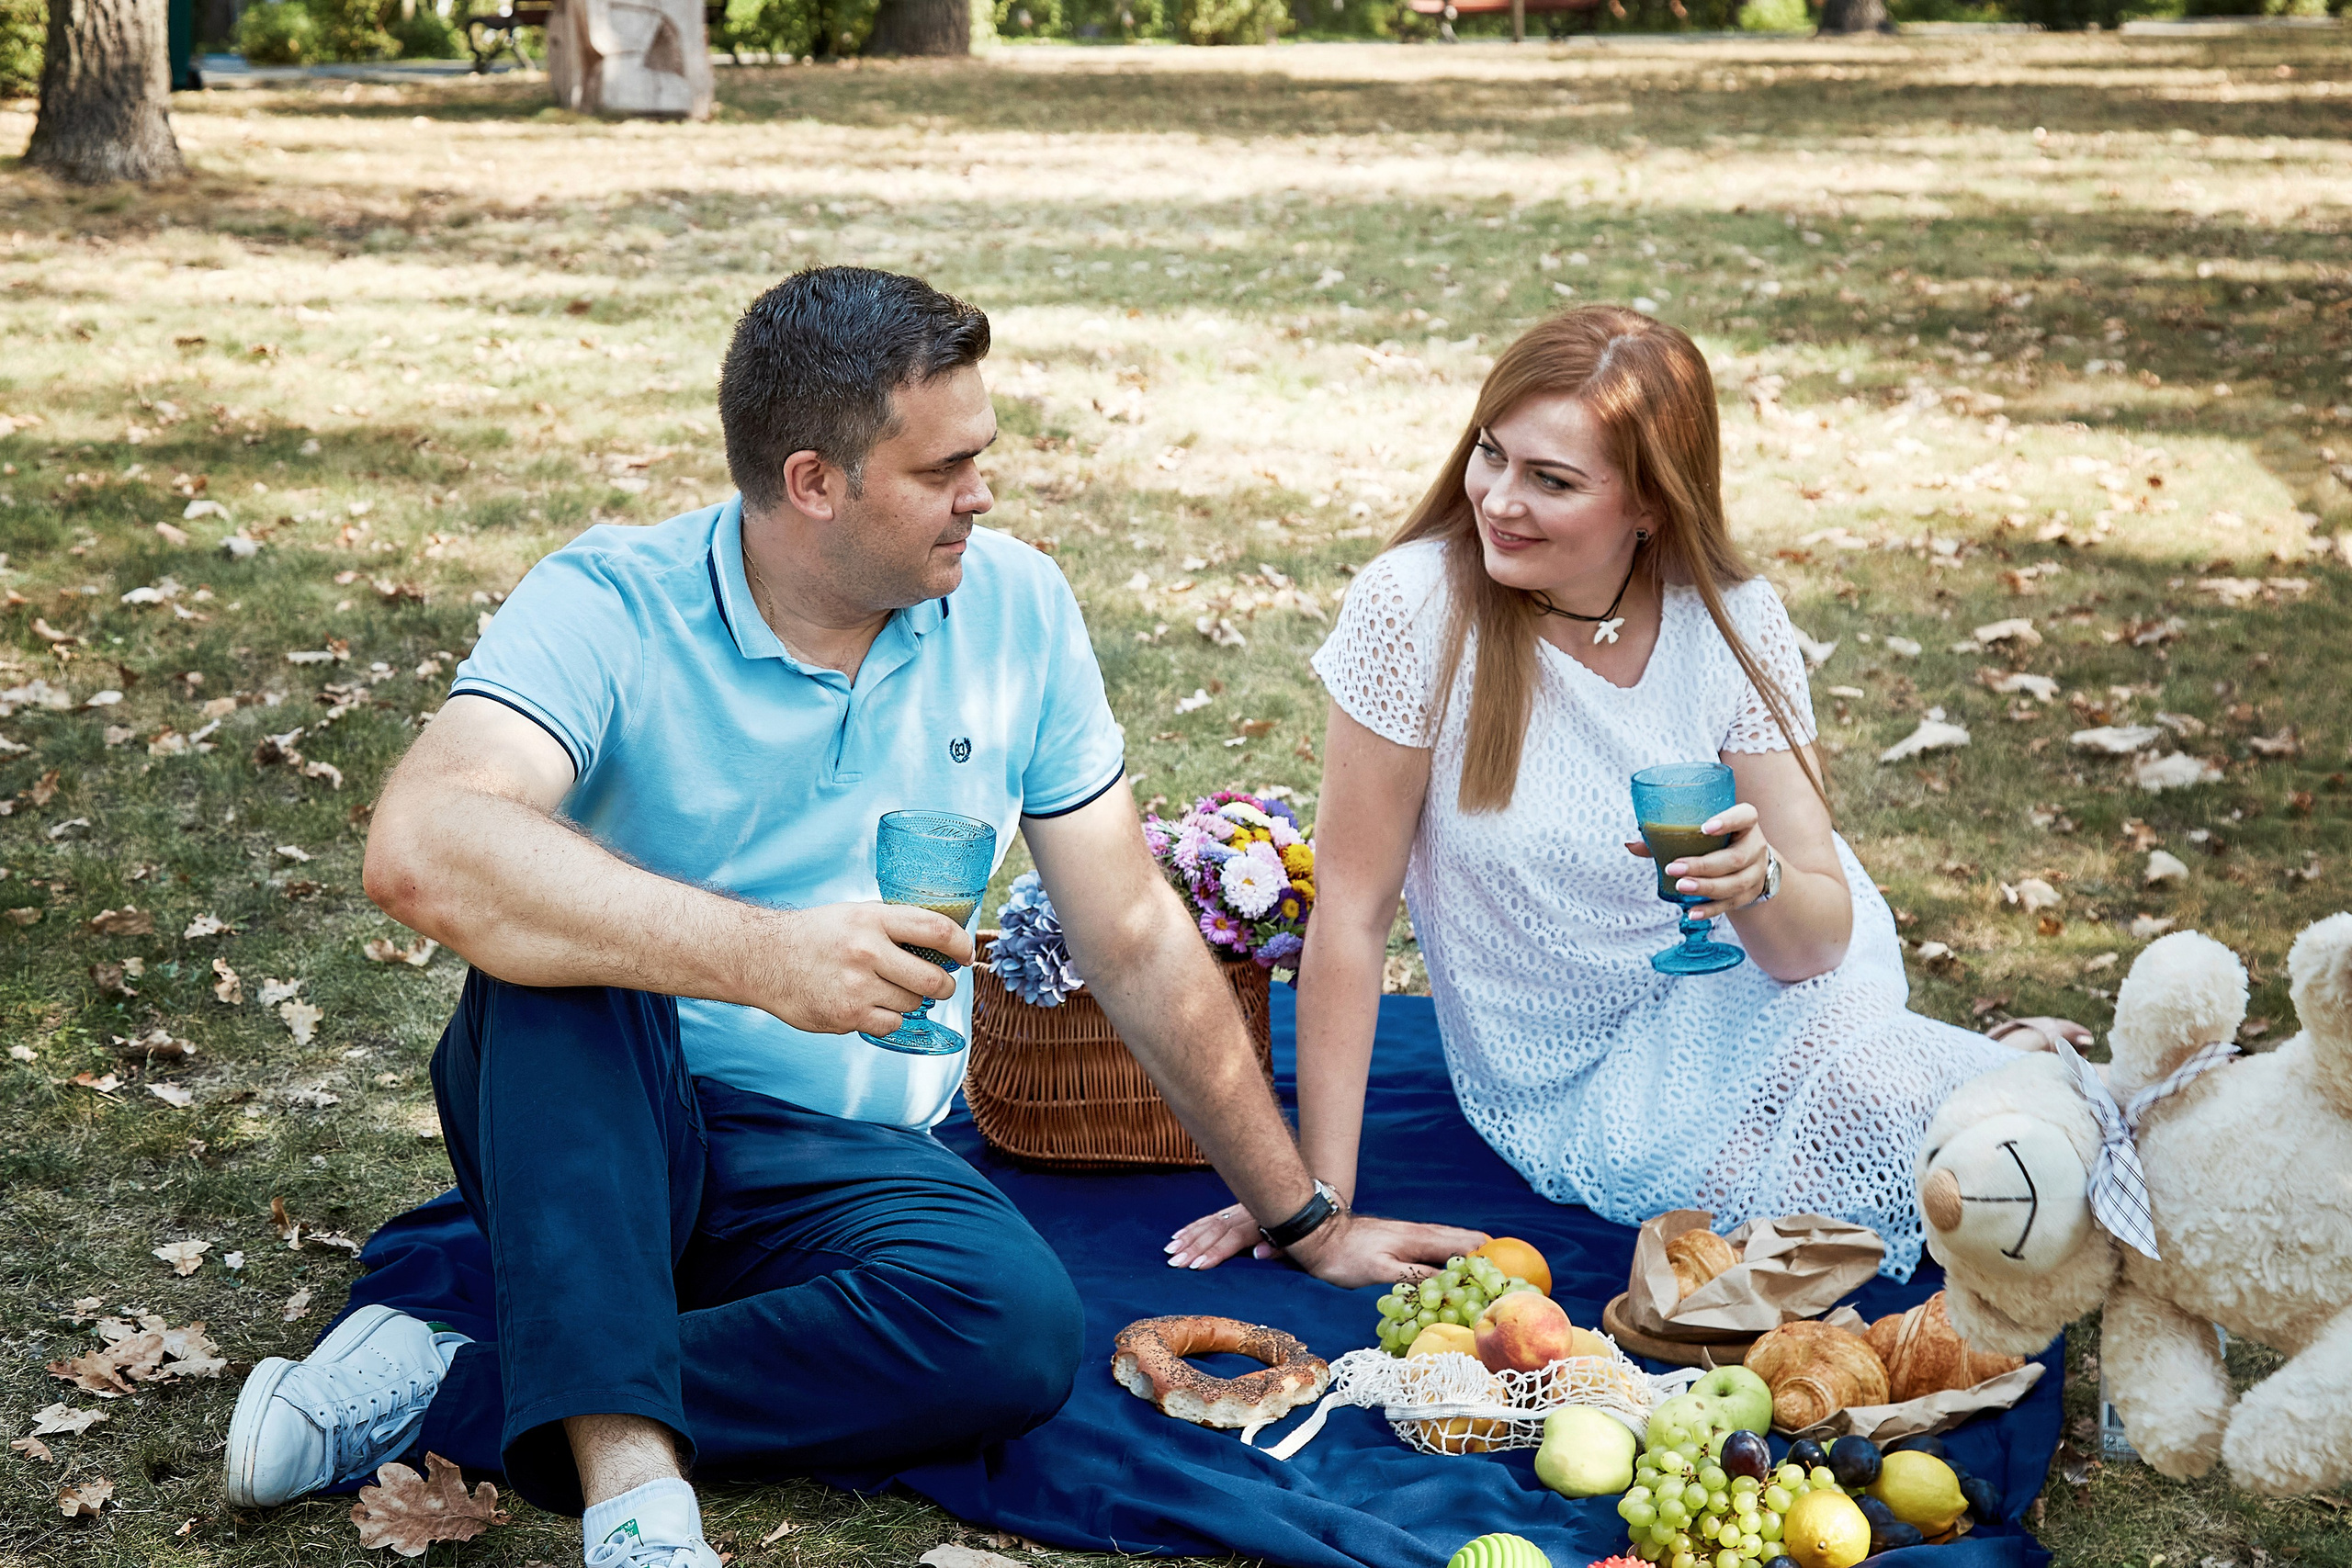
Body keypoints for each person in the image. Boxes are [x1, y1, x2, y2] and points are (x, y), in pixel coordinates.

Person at [220, 267, 1483, 1568]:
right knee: (558, 955)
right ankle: (637, 1505)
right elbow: (423, 842)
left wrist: (1303, 1216)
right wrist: (764, 957)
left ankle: (451, 1383)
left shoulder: (1016, 609)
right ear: (815, 481)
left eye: (980, 456)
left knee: (1010, 1329)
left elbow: (1132, 930)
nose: (980, 493)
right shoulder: (611, 602)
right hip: (595, 1113)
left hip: (844, 1162)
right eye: (944, 469)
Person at [1168, 305, 2087, 1288]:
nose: (1499, 501)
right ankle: (2011, 1065)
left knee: (2006, 1163)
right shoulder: (1416, 608)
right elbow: (1351, 912)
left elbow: (1814, 944)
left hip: (1761, 990)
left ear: (1649, 503)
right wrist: (1318, 1208)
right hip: (1570, 1074)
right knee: (1832, 1197)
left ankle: (2022, 1074)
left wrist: (1758, 880)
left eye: (1551, 480)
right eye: (1492, 454)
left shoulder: (1732, 621)